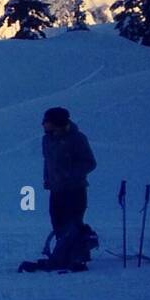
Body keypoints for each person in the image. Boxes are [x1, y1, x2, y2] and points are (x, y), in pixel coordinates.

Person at [42, 106, 97, 248]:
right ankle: (63, 252)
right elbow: (47, 161)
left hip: (74, 190)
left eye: (47, 121)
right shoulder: (47, 140)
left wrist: (69, 174)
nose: (43, 124)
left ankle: (78, 253)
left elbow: (89, 162)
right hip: (56, 190)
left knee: (73, 222)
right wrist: (47, 179)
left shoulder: (77, 139)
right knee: (57, 221)